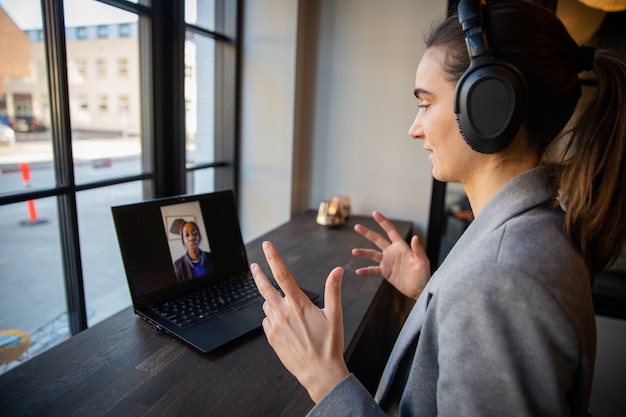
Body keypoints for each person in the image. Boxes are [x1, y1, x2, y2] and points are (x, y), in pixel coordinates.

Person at [250, 0, 626, 415]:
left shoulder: (499, 280)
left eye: (425, 103)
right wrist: (435, 294)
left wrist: (325, 379)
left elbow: (495, 293)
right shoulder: (536, 229)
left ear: (489, 107)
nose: (414, 128)